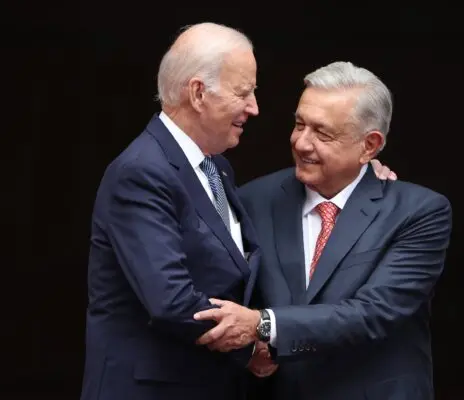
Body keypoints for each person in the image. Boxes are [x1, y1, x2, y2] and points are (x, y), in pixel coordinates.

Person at [80, 23, 394, 400]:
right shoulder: (142, 172)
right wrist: (254, 346)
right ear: (198, 94)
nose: (254, 107)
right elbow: (171, 300)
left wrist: (361, 173)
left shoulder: (216, 170)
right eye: (243, 92)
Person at [194, 61, 452, 400]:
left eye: (323, 133)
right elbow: (224, 294)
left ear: (370, 146)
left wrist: (263, 324)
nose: (301, 143)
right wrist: (246, 353)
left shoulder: (417, 212)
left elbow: (374, 313)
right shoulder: (252, 201)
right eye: (299, 124)